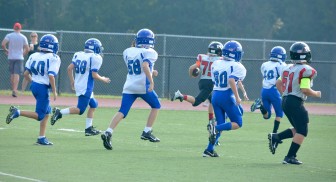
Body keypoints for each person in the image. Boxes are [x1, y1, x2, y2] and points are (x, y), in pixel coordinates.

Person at [101, 28, 161, 150]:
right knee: (156, 106)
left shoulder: (127, 51)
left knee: (122, 111)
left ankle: (108, 132)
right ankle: (147, 132)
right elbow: (144, 65)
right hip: (142, 86)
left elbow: (138, 66)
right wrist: (151, 81)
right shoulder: (151, 52)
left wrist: (151, 71)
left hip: (129, 85)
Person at [270, 42, 321, 165]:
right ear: (305, 55)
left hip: (285, 100)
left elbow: (278, 83)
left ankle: (277, 137)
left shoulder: (288, 68)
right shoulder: (306, 70)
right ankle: (290, 157)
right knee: (303, 131)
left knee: (298, 128)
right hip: (295, 101)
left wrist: (285, 93)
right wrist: (316, 94)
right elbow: (305, 90)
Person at [5, 34, 61, 145]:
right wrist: (54, 91)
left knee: (47, 112)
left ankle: (41, 138)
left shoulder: (34, 55)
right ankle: (17, 112)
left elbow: (26, 74)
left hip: (34, 86)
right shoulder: (54, 58)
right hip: (43, 88)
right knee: (40, 115)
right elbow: (51, 76)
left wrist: (34, 82)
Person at [50, 38, 111, 136]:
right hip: (86, 86)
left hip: (79, 83)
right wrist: (103, 79)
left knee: (94, 104)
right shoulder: (95, 57)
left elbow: (69, 69)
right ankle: (59, 112)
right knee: (80, 110)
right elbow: (94, 75)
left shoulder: (78, 54)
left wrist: (72, 81)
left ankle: (88, 128)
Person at [205, 40, 246, 157]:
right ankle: (214, 127)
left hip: (216, 94)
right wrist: (238, 97)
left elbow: (214, 80)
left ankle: (209, 149)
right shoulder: (238, 66)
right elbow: (232, 80)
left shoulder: (216, 63)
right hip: (227, 95)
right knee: (238, 123)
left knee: (222, 122)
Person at [171, 41, 224, 124]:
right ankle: (181, 96)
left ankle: (211, 120)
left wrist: (191, 75)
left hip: (202, 81)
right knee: (196, 102)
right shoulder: (221, 60)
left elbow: (192, 67)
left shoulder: (202, 57)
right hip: (211, 83)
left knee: (212, 101)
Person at [251, 46, 287, 134]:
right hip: (274, 90)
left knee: (267, 116)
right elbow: (283, 78)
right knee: (279, 113)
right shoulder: (281, 65)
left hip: (264, 90)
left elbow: (264, 75)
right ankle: (275, 133)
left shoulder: (265, 64)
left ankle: (260, 106)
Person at [1, 22, 29, 97]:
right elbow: (27, 48)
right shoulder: (23, 37)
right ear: (20, 28)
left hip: (11, 57)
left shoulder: (9, 35)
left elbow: (3, 44)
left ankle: (13, 89)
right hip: (19, 57)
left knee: (12, 73)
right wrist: (23, 54)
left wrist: (6, 50)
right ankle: (15, 90)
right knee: (17, 74)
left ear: (14, 28)